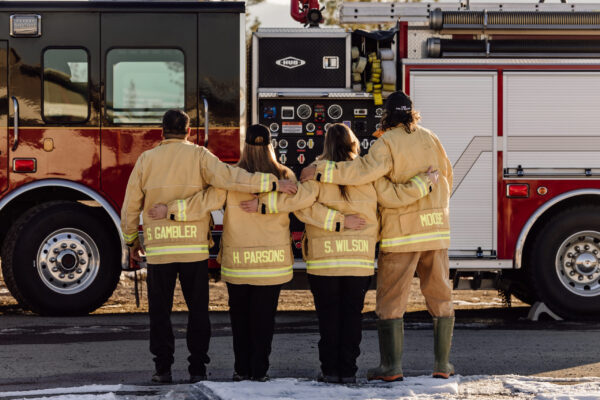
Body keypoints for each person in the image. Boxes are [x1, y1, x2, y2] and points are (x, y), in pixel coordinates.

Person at [149, 124, 362, 382]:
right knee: (264, 322)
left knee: (240, 321)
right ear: (271, 146)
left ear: (246, 146)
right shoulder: (285, 176)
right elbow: (298, 204)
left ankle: (242, 371)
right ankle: (260, 371)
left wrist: (169, 211)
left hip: (238, 264)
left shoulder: (233, 178)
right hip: (272, 265)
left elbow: (204, 203)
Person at [246, 123, 437, 384]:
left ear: (327, 145)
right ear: (353, 144)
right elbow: (394, 198)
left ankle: (330, 371)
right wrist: (424, 183)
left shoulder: (315, 174)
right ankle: (348, 371)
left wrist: (264, 204)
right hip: (358, 263)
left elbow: (300, 207)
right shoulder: (368, 175)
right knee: (351, 321)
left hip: (324, 264)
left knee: (328, 322)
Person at [120, 111, 297, 384]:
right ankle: (197, 369)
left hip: (160, 251)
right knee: (198, 313)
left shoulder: (146, 160)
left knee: (159, 313)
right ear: (189, 131)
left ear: (162, 132)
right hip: (194, 249)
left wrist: (131, 241)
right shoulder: (200, 156)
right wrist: (272, 182)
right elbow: (230, 178)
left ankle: (163, 369)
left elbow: (130, 206)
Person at [300, 91, 454, 381]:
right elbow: (447, 176)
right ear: (411, 113)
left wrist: (321, 171)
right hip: (436, 231)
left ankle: (391, 367)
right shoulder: (432, 138)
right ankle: (442, 365)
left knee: (391, 301)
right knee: (440, 295)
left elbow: (365, 174)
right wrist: (431, 196)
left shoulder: (386, 144)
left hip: (402, 235)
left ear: (387, 116)